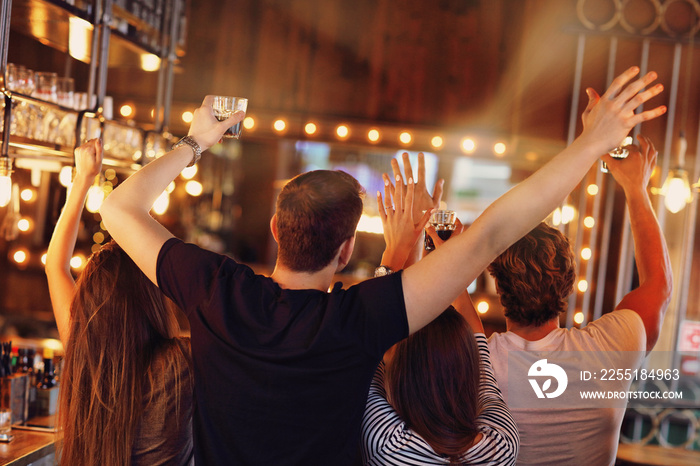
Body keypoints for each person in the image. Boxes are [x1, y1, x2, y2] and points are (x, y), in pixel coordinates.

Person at [100, 67, 665, 464]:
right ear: (347, 250)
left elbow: (118, 208)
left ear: (276, 229)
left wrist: (197, 140)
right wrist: (591, 144)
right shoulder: (357, 319)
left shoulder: (215, 290)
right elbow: (492, 233)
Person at [486, 135, 672, 465]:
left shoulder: (476, 361)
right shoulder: (611, 348)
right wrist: (635, 187)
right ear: (568, 285)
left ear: (499, 287)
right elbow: (659, 285)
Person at [45, 139, 194, 466]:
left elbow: (55, 263)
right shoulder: (181, 360)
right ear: (153, 294)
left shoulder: (83, 348)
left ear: (89, 295)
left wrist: (83, 181)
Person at [361, 177, 519, 465]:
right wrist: (450, 259)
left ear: (399, 374)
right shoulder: (500, 446)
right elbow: (478, 346)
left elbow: (369, 342)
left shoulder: (387, 444)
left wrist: (397, 247)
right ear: (468, 369)